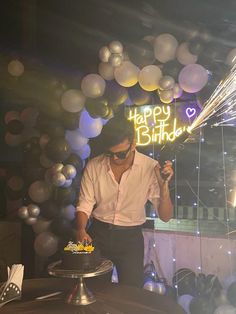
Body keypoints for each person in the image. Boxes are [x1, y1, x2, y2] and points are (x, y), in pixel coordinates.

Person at [76, 115, 173, 288]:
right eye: (110, 153)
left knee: (131, 293)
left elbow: (166, 216)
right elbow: (85, 203)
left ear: (133, 143)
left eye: (120, 154)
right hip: (99, 234)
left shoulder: (150, 168)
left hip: (130, 239)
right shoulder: (94, 166)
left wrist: (163, 185)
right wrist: (81, 229)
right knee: (95, 290)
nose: (115, 159)